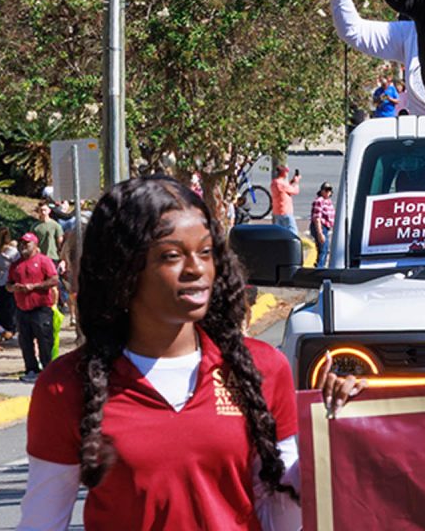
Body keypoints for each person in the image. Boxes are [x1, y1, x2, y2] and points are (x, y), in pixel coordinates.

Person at [19, 175, 364, 530]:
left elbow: (282, 517)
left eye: (205, 252)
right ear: (123, 269)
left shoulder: (261, 367)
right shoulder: (65, 386)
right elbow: (42, 522)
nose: (197, 269)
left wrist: (327, 438)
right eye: (172, 255)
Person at [8, 231, 59, 382]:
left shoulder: (44, 261)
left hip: (41, 309)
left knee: (44, 341)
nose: (23, 246)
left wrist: (35, 286)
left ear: (35, 245)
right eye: (22, 243)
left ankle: (48, 371)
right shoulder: (16, 264)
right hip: (22, 309)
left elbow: (54, 280)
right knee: (25, 341)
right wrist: (12, 288)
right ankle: (31, 369)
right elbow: (8, 283)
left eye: (27, 243)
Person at [0, 227, 20, 336]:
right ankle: (11, 328)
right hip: (9, 279)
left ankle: (3, 328)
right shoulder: (11, 251)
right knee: (11, 306)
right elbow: (18, 262)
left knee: (1, 305)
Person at [310, 182, 336, 269]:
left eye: (330, 190)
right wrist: (320, 233)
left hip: (326, 227)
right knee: (323, 250)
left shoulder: (328, 201)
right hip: (320, 227)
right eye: (326, 190)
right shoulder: (319, 201)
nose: (328, 192)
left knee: (323, 249)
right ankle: (320, 268)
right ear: (322, 191)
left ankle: (319, 266)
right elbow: (317, 218)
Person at [269, 165, 301, 236]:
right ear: (284, 173)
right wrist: (296, 182)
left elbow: (285, 188)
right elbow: (295, 191)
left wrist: (292, 181)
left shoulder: (274, 183)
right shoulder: (281, 184)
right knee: (293, 232)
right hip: (285, 212)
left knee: (280, 233)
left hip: (277, 212)